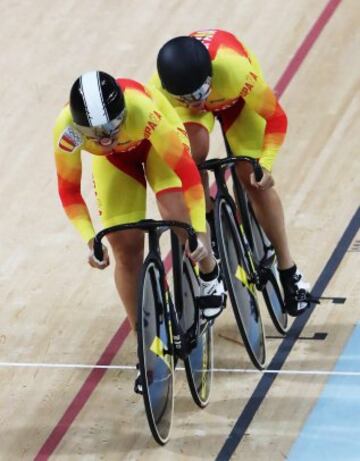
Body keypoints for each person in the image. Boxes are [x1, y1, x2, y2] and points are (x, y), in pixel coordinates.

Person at [53, 71, 225, 391]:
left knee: (178, 216)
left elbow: (188, 175)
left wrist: (198, 232)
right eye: (96, 134)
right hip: (117, 164)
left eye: (112, 128)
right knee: (124, 249)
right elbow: (69, 191)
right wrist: (90, 239)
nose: (106, 139)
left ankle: (210, 272)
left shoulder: (142, 109)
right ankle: (145, 347)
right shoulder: (68, 131)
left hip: (156, 145)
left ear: (123, 114)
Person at [150, 29, 311, 317]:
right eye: (187, 98)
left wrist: (268, 163)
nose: (197, 102)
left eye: (200, 94)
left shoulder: (234, 68)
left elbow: (276, 117)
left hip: (235, 98)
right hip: (193, 108)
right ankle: (210, 218)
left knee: (252, 174)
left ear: (209, 76)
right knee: (190, 154)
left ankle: (289, 269)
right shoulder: (160, 91)